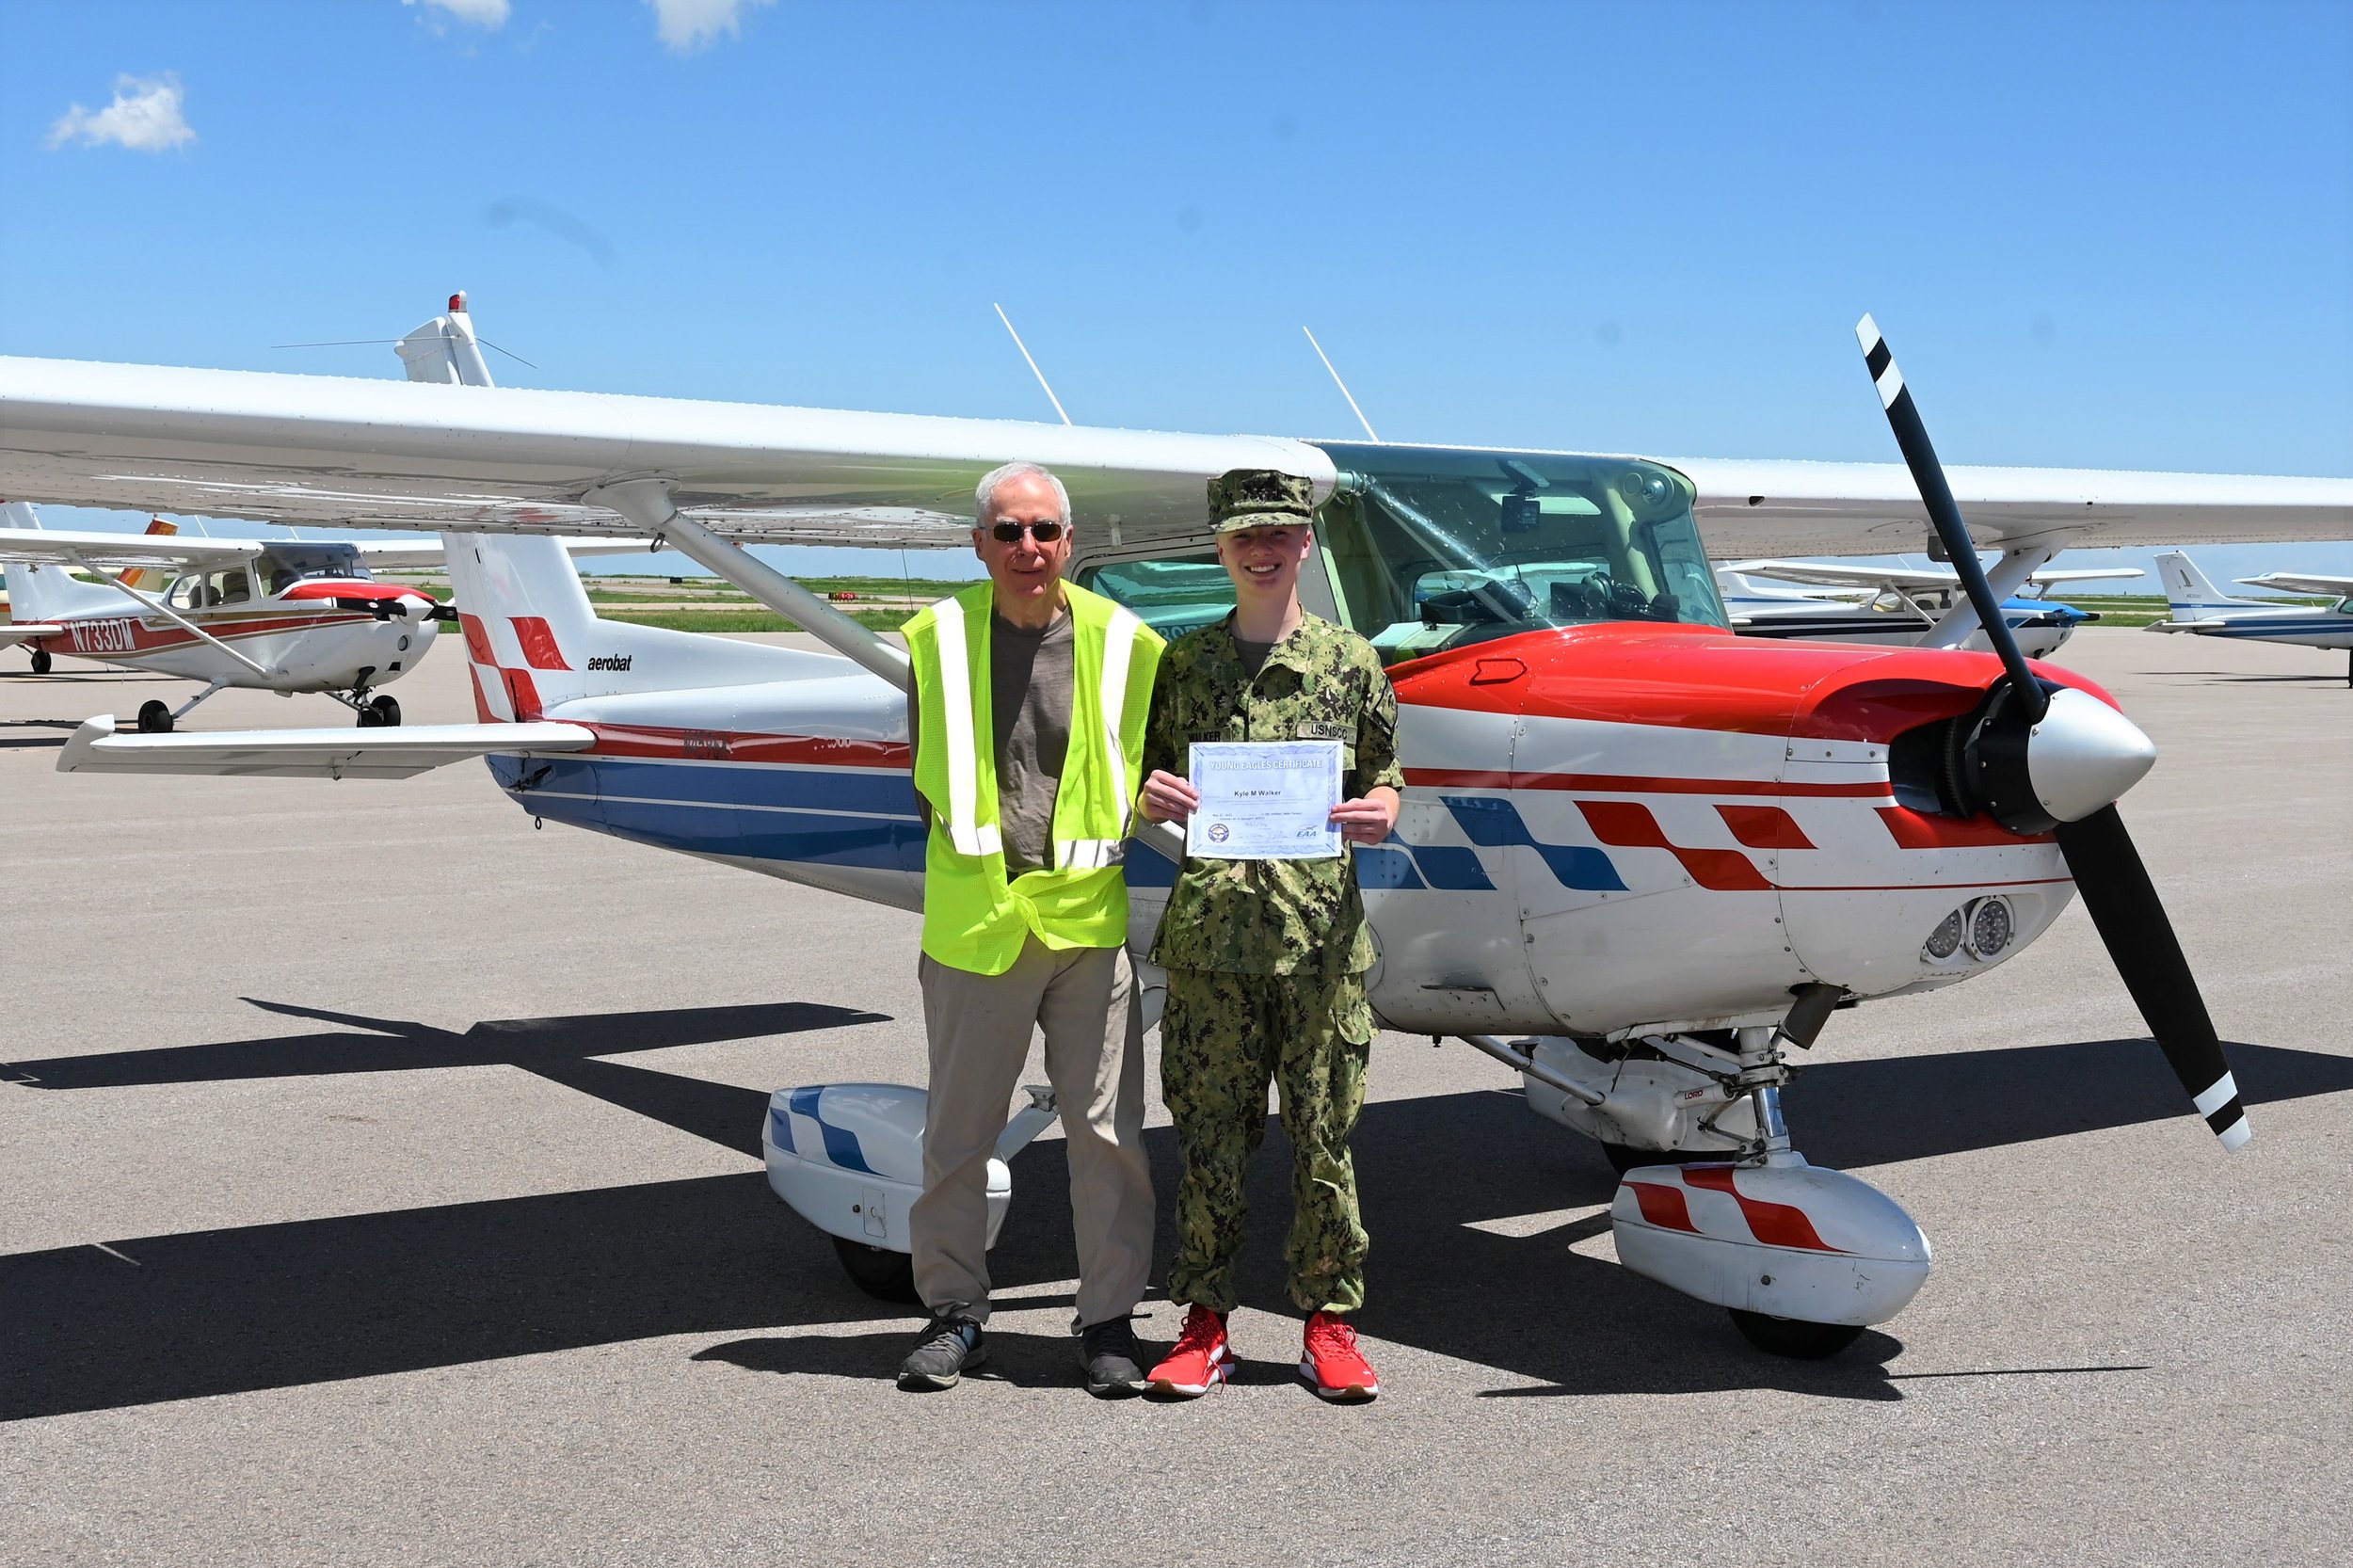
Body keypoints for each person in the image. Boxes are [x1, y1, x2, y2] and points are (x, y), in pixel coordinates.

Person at [896, 460, 1166, 1396]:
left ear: (1070, 542)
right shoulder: (934, 640)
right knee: (957, 1135)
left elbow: (1150, 767)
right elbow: (930, 774)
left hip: (1087, 925)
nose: (1027, 547)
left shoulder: (1128, 645)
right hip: (978, 924)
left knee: (1108, 1136)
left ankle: (1107, 1321)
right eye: (1006, 531)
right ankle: (955, 1313)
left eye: (1044, 530)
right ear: (977, 544)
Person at [1135, 468, 1403, 1402]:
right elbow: (1145, 776)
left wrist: (1379, 807)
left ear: (1303, 544)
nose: (1261, 549)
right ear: (1219, 547)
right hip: (1213, 950)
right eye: (1243, 535)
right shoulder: (1185, 665)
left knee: (1327, 1142)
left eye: (1279, 533)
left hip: (1321, 946)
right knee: (1209, 1141)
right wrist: (1148, 794)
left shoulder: (1351, 663)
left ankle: (1328, 1324)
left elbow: (1386, 775)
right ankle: (1203, 1323)